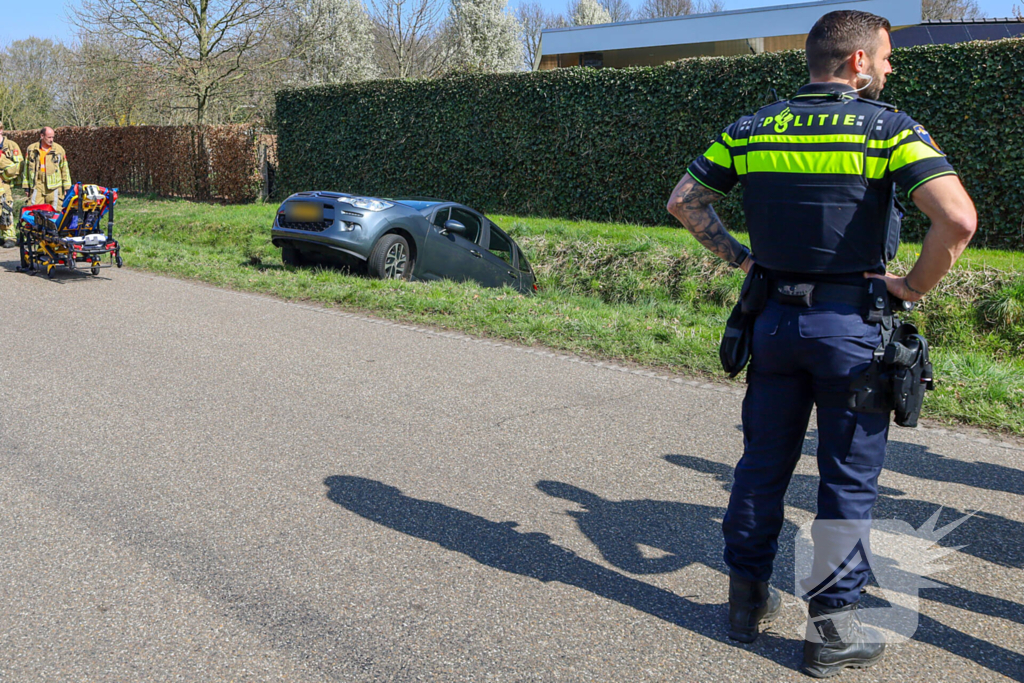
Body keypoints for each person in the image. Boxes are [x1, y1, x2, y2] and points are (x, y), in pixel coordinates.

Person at [666, 9, 976, 678]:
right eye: (887, 57)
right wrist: (912, 288)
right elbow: (957, 218)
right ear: (858, 62)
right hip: (854, 330)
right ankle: (830, 633)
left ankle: (746, 604)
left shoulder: (751, 128)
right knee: (846, 481)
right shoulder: (890, 127)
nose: (891, 68)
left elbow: (685, 201)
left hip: (773, 321)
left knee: (760, 465)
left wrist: (744, 259)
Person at [21, 127, 71, 208]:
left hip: (54, 187)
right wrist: (26, 187)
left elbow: (64, 169)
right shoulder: (31, 149)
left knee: (55, 212)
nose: (51, 140)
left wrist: (67, 187)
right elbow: (26, 169)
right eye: (49, 137)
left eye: (53, 137)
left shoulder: (59, 150)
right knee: (34, 211)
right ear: (42, 136)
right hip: (37, 186)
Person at [0, 120, 23, 248]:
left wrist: (6, 174)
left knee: (6, 208)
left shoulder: (11, 145)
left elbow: (19, 165)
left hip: (4, 183)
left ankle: (10, 237)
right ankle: (1, 236)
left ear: (1, 130)